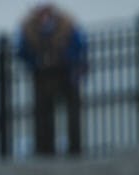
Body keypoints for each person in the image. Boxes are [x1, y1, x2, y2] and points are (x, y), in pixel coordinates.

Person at [16, 4, 88, 156]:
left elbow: (79, 45)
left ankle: (75, 147)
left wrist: (70, 61)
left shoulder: (66, 25)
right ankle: (45, 149)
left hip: (65, 73)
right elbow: (21, 50)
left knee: (72, 113)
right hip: (42, 75)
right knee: (43, 114)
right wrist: (35, 62)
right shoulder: (29, 28)